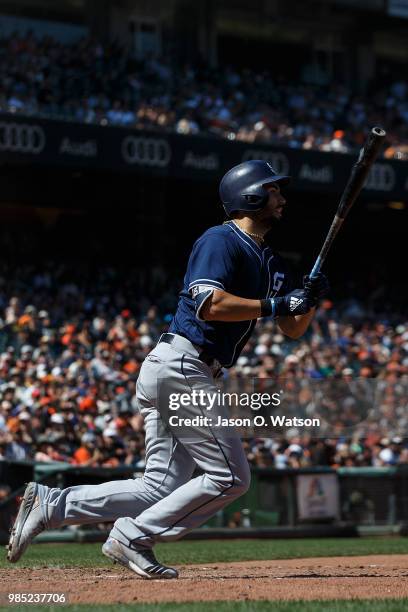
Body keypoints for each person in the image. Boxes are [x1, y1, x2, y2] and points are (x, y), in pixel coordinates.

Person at [7, 160, 329, 579]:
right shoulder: (221, 240)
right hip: (184, 364)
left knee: (158, 487)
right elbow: (207, 303)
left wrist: (307, 300)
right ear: (249, 195)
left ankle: (51, 504)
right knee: (231, 477)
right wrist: (276, 305)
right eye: (274, 190)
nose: (282, 198)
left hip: (184, 369)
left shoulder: (270, 260)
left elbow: (290, 328)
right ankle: (135, 536)